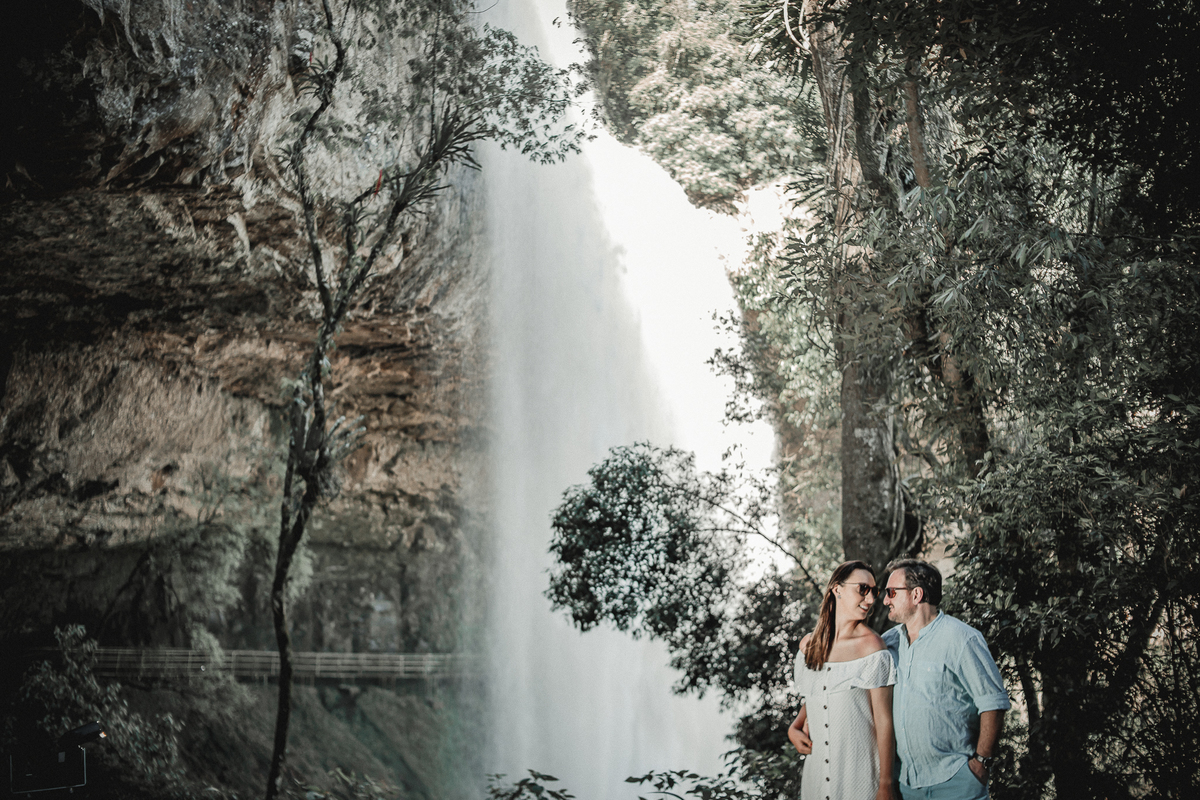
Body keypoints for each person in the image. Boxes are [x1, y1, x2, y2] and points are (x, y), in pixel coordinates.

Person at [881, 559, 1011, 800]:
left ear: (916, 594)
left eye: (891, 592)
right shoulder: (887, 643)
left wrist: (981, 762)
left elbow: (993, 703)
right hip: (907, 785)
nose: (885, 600)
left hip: (957, 783)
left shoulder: (961, 638)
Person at [789, 560, 898, 800]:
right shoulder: (809, 645)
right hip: (816, 778)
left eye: (874, 592)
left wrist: (886, 784)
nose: (870, 600)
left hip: (859, 777)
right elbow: (820, 693)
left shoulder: (872, 647)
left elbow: (884, 720)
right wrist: (794, 727)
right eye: (862, 589)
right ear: (836, 589)